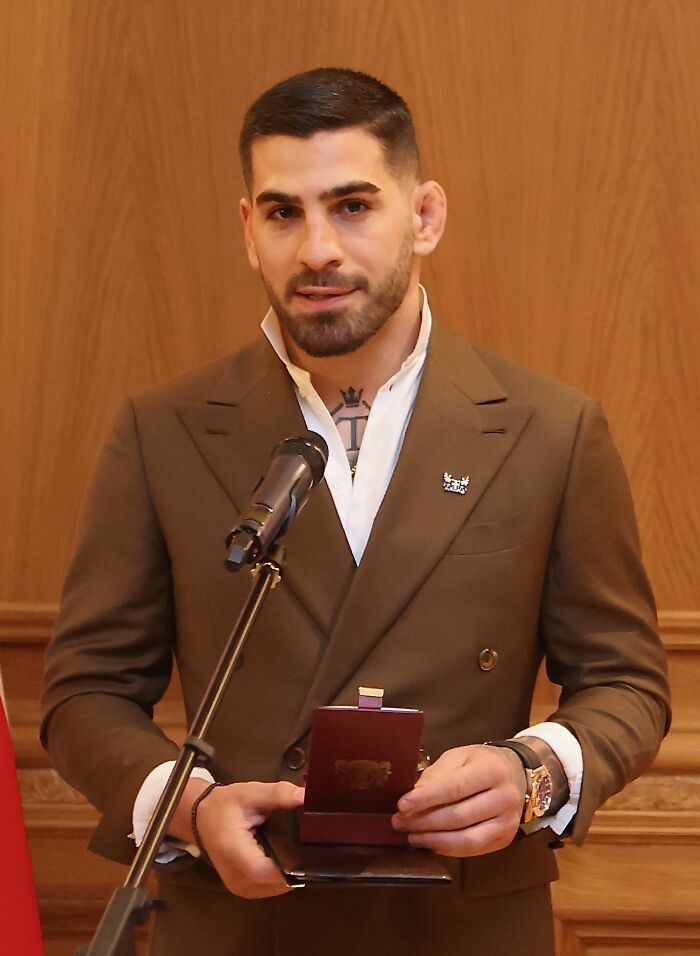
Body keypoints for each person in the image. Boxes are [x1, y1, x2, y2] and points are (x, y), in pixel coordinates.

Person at [41, 68, 670, 956]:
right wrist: (187, 806)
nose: (317, 250)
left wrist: (533, 772)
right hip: (237, 920)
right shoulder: (163, 430)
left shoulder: (550, 429)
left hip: (462, 923)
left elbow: (627, 682)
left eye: (352, 206)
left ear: (425, 216)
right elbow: (85, 693)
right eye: (284, 212)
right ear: (248, 230)